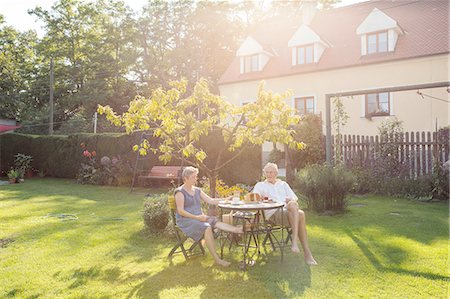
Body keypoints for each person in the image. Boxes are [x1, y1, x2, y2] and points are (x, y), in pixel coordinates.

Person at [174, 166, 243, 267]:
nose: (196, 179)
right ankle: (217, 259)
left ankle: (238, 230)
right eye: (193, 177)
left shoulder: (197, 190)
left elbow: (211, 200)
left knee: (214, 221)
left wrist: (226, 199)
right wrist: (197, 218)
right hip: (186, 221)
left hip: (200, 218)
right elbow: (180, 211)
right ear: (186, 178)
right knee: (207, 227)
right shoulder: (180, 192)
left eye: (196, 177)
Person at [253, 162, 318, 265]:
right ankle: (305, 251)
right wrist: (262, 199)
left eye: (271, 172)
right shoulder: (260, 185)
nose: (269, 174)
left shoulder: (283, 184)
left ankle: (296, 244)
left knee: (293, 205)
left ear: (276, 173)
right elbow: (254, 199)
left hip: (287, 210)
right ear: (264, 173)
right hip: (274, 213)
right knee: (301, 214)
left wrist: (289, 200)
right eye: (267, 172)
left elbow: (294, 198)